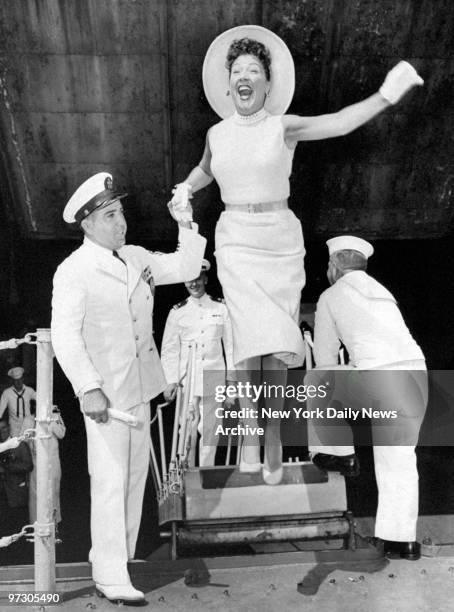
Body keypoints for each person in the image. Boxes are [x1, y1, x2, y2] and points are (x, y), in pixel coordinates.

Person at [169, 24, 424, 483]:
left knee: (280, 345)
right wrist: (186, 187)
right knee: (248, 341)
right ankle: (251, 436)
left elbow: (341, 122)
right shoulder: (216, 134)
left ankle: (272, 439)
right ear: (228, 84)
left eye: (254, 70)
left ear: (268, 84)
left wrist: (387, 95)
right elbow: (205, 170)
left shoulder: (283, 127)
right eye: (238, 71)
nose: (245, 77)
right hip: (235, 239)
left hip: (279, 240)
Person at [51, 172, 206, 605]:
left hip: (139, 389)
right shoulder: (74, 271)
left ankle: (118, 563)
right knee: (110, 482)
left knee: (134, 480)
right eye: (110, 215)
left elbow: (187, 266)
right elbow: (65, 336)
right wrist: (88, 387)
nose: (121, 223)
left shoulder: (135, 256)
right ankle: (109, 572)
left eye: (121, 213)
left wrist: (185, 222)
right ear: (87, 223)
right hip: (105, 396)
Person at [309, 235, 427, 560]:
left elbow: (324, 357)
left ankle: (338, 453)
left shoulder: (331, 295)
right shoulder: (383, 293)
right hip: (416, 373)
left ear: (334, 266)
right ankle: (402, 542)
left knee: (317, 378)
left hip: (379, 376)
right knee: (399, 459)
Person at [161, 259, 235, 466]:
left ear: (205, 279)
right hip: (188, 381)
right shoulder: (178, 311)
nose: (193, 284)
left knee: (210, 432)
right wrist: (171, 380)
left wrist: (231, 383)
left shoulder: (221, 308)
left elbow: (230, 348)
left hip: (214, 379)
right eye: (189, 281)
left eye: (197, 280)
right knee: (186, 432)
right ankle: (187, 476)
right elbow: (169, 349)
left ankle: (206, 475)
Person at [0, 419, 33, 564]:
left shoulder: (20, 444)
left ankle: (21, 561)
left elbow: (28, 465)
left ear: (8, 427)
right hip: (2, 497)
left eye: (4, 427)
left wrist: (7, 467)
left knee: (18, 527)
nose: (2, 431)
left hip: (16, 494)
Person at [28, 405, 66, 525]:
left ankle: (54, 522)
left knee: (53, 491)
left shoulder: (55, 416)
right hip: (35, 462)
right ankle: (36, 522)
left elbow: (61, 434)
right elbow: (23, 440)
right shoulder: (28, 419)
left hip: (52, 461)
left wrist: (50, 421)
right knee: (35, 494)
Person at [0, 367, 36, 437]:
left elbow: (41, 400)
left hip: (28, 424)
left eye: (20, 379)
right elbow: (0, 409)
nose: (19, 382)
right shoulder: (7, 393)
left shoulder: (29, 390)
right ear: (12, 381)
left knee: (29, 446)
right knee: (15, 446)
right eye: (16, 380)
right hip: (14, 426)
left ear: (23, 379)